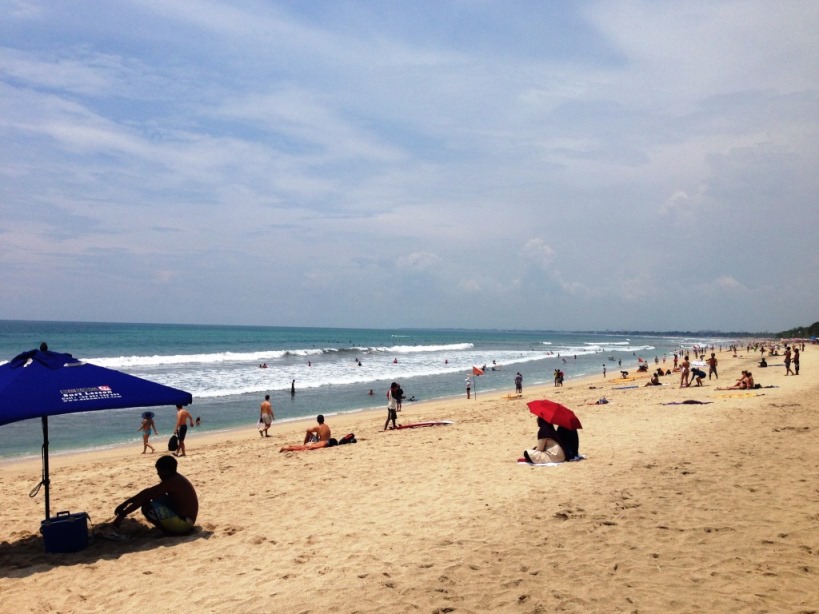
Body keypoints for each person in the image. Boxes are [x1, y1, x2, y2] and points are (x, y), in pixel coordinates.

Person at [113, 455, 198, 536]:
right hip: (186, 520)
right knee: (152, 495)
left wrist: (122, 515)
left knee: (147, 507)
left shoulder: (171, 482)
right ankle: (170, 528)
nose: (158, 474)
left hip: (183, 525)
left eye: (159, 471)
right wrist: (125, 503)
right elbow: (149, 491)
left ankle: (168, 532)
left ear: (166, 471)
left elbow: (145, 498)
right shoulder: (175, 478)